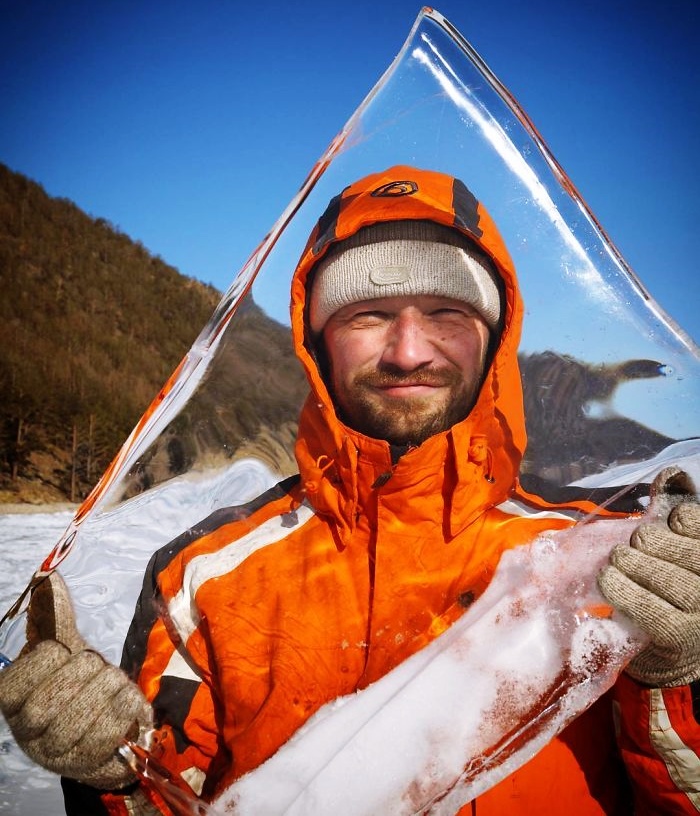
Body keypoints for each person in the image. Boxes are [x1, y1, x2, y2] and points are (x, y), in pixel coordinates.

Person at [1, 166, 699, 815]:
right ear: (316, 338)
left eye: (446, 313)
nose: (407, 351)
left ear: (493, 337)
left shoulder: (607, 558)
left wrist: (677, 675)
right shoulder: (203, 575)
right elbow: (164, 797)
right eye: (367, 314)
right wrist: (111, 771)